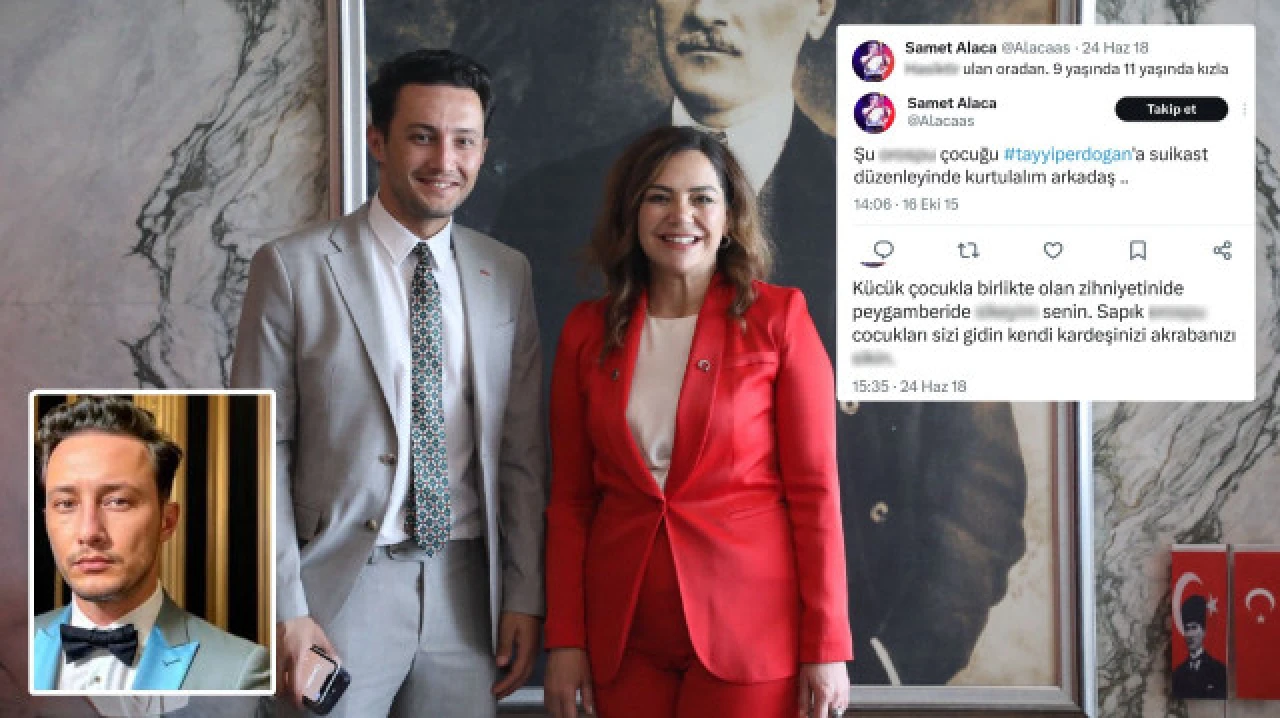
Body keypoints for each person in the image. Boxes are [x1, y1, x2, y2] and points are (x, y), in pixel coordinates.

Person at [495, 0, 1028, 686]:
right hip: (617, 647)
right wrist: (560, 637)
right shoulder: (546, 207)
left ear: (819, 10)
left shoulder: (895, 209)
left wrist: (893, 667)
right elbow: (533, 464)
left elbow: (975, 477)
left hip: (838, 665)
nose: (707, 10)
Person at [231, 48, 546, 717]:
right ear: (378, 140)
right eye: (422, 136)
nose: (444, 160)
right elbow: (255, 451)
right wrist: (285, 610)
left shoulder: (506, 272)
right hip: (339, 588)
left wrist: (524, 595)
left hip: (469, 592)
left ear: (483, 151)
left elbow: (521, 451)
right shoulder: (293, 267)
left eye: (464, 141)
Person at [542, 126, 852, 718]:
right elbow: (571, 502)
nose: (679, 215)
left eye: (701, 198)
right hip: (623, 638)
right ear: (633, 214)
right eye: (658, 197)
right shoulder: (586, 331)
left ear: (729, 217)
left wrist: (827, 646)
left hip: (749, 633)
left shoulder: (780, 319)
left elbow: (816, 494)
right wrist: (566, 639)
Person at [31, 396, 268, 691]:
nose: (89, 532)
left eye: (118, 501)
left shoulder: (240, 673)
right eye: (66, 504)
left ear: (167, 521)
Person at [1172, 595, 1227, 699]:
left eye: (1194, 627)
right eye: (1187, 629)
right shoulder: (1177, 674)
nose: (1190, 634)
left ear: (1204, 631)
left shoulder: (1219, 670)